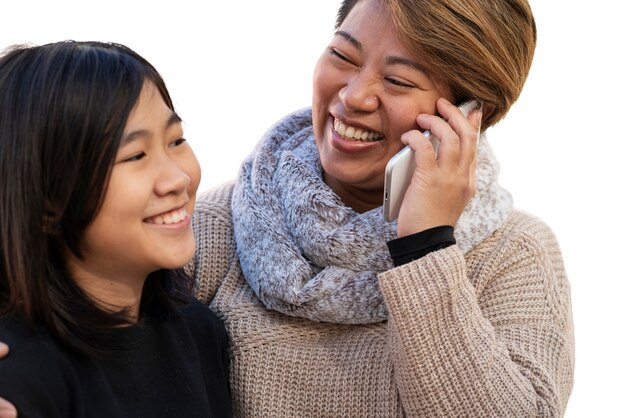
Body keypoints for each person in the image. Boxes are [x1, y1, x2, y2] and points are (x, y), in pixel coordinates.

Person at [1, 0, 575, 416]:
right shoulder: (212, 228)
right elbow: (61, 279)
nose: (354, 95)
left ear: (470, 115)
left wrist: (425, 246)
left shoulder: (514, 257)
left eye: (398, 80)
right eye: (342, 56)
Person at [0, 41, 231, 418]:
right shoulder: (17, 374)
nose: (176, 178)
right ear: (47, 203)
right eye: (135, 155)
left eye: (176, 141)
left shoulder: (200, 333)